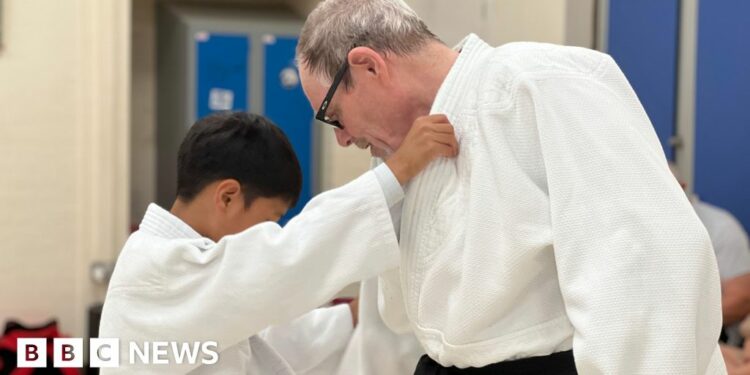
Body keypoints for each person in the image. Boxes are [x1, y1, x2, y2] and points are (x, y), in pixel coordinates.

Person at [297, 0, 725, 373]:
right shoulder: (404, 155)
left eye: (333, 115)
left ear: (369, 65)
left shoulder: (541, 83)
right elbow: (404, 315)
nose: (342, 138)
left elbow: (644, 268)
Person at [99, 111, 457, 373]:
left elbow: (259, 342)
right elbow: (285, 260)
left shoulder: (181, 275)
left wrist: (350, 316)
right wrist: (398, 171)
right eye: (270, 219)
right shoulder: (158, 273)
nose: (270, 232)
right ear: (227, 197)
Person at [671, 162, 750, 346]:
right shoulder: (637, 232)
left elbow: (742, 299)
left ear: (682, 187)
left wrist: (678, 327)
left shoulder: (721, 229)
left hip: (714, 341)